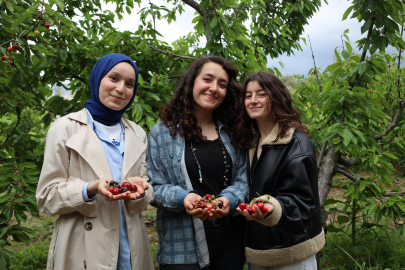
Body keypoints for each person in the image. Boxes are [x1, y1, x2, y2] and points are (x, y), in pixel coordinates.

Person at [36, 53, 155, 270]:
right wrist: (90, 188)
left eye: (130, 84)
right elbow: (46, 197)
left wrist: (142, 190)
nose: (121, 89)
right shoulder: (65, 128)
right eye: (114, 78)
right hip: (82, 248)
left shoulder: (137, 133)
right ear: (97, 78)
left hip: (131, 248)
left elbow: (145, 190)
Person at [146, 56, 248, 270]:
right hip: (181, 244)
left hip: (230, 240)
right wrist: (184, 198)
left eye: (222, 84)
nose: (214, 88)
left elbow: (244, 179)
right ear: (192, 81)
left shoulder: (232, 131)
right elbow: (154, 187)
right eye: (207, 79)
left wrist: (228, 200)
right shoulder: (162, 133)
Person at [236, 71, 325, 270]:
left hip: (291, 251)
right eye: (248, 95)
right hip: (258, 251)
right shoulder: (251, 142)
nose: (253, 100)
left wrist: (273, 209)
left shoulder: (297, 144)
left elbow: (302, 203)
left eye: (261, 94)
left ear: (275, 97)